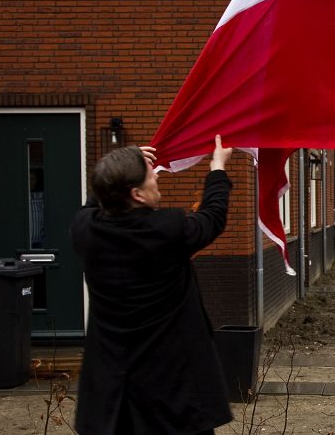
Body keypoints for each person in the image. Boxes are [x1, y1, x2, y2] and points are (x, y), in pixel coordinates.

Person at [72, 136, 234, 435]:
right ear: (137, 194)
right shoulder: (167, 232)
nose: (156, 180)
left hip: (112, 396)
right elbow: (212, 217)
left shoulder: (85, 231)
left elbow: (91, 202)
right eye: (151, 177)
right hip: (171, 392)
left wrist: (122, 164)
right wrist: (218, 168)